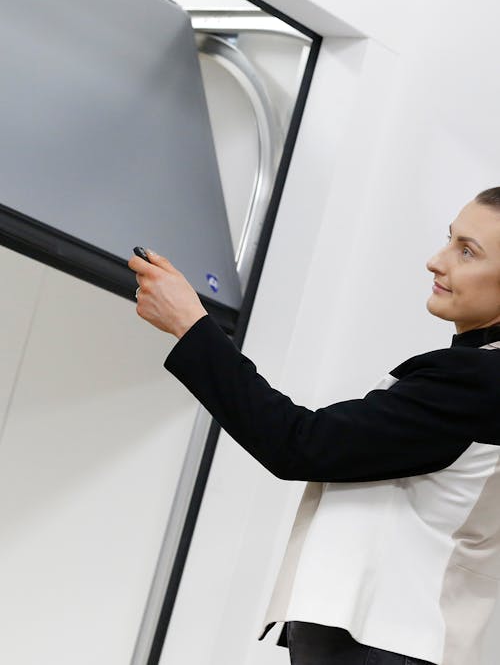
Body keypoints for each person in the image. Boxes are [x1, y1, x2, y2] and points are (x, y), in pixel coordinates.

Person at [128, 188, 500, 665]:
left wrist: (191, 326)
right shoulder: (474, 375)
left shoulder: (476, 381)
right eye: (449, 240)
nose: (436, 261)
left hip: (386, 646)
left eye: (466, 251)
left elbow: (301, 444)